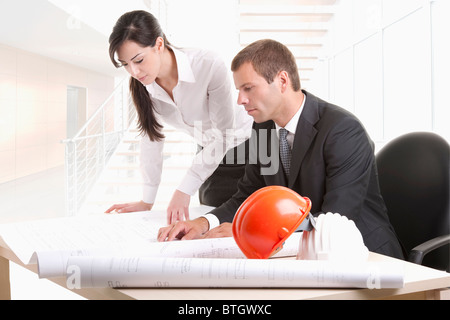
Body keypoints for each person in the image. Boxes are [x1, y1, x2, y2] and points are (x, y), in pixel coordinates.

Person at [158, 39, 404, 259]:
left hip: (365, 255)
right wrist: (203, 223)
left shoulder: (342, 131)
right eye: (239, 90)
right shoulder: (263, 129)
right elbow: (248, 196)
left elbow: (335, 219)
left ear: (282, 81)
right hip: (302, 254)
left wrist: (246, 230)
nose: (240, 100)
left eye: (248, 88)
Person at [105, 10, 253, 224]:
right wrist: (147, 200)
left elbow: (224, 134)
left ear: (158, 44)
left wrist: (184, 188)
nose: (134, 72)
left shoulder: (208, 64)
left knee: (248, 217)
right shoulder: (144, 86)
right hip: (209, 156)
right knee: (209, 217)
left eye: (138, 60)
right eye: (125, 64)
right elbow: (151, 139)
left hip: (251, 151)